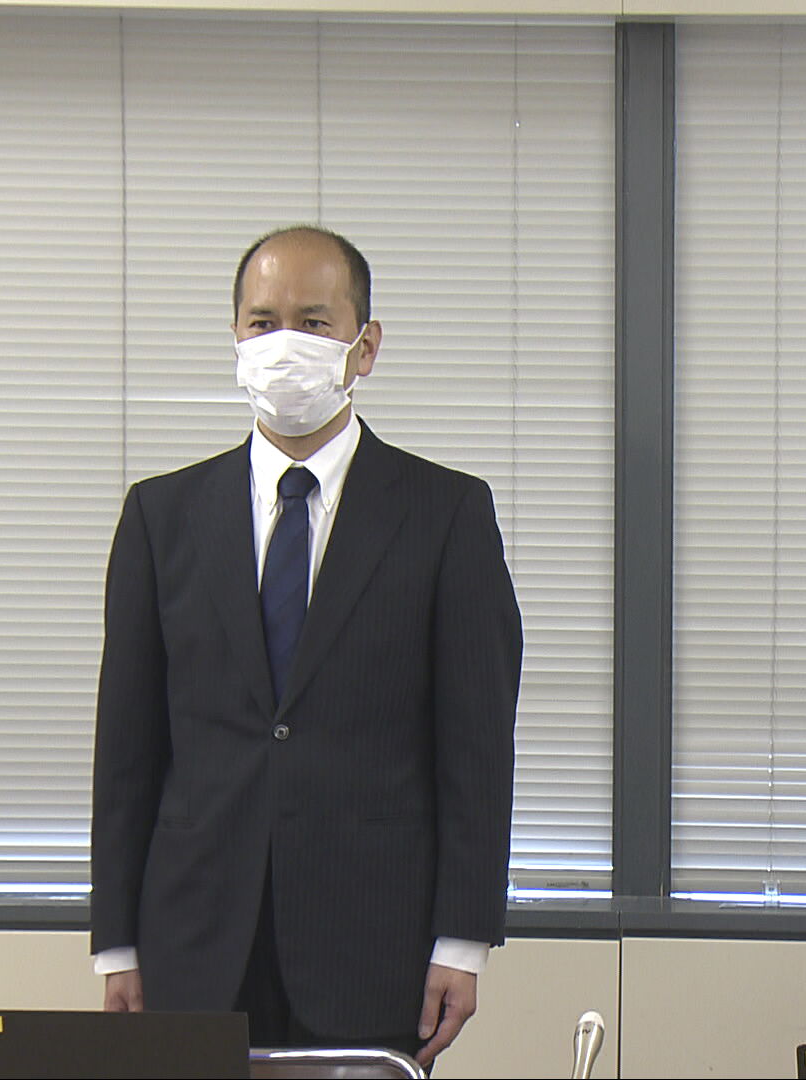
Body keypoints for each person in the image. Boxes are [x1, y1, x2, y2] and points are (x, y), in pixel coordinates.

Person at [90, 225, 522, 1069]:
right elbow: (128, 750)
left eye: (315, 322)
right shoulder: (160, 517)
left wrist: (463, 940)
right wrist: (117, 944)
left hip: (374, 946)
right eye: (263, 322)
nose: (284, 342)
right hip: (193, 943)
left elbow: (477, 748)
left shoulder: (447, 515)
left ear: (366, 346)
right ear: (235, 338)